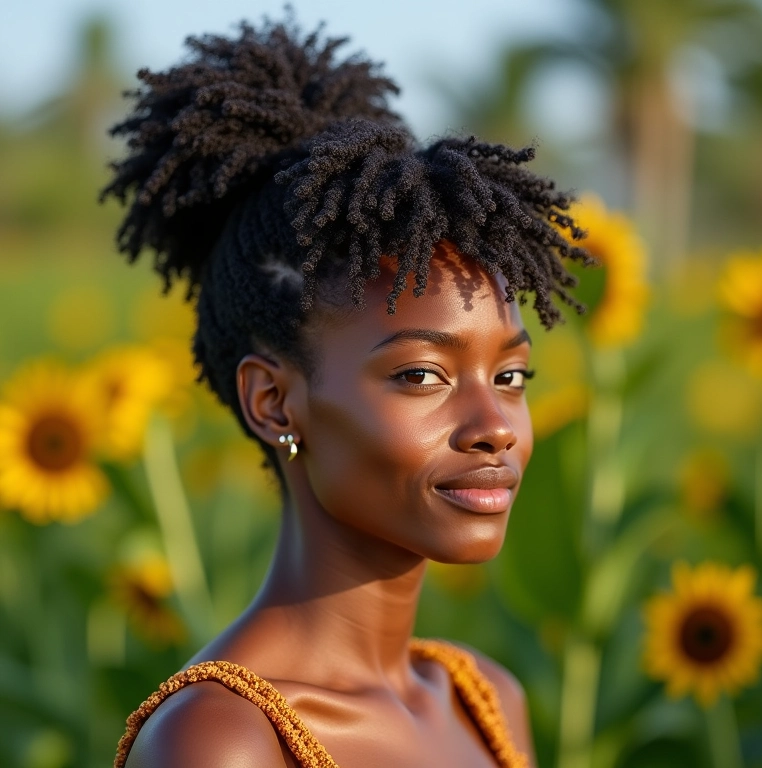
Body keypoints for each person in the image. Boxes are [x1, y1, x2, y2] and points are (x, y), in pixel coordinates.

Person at [103, 15, 592, 768]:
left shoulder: (486, 700)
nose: (495, 425)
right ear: (273, 402)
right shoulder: (221, 740)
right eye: (422, 375)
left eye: (510, 376)